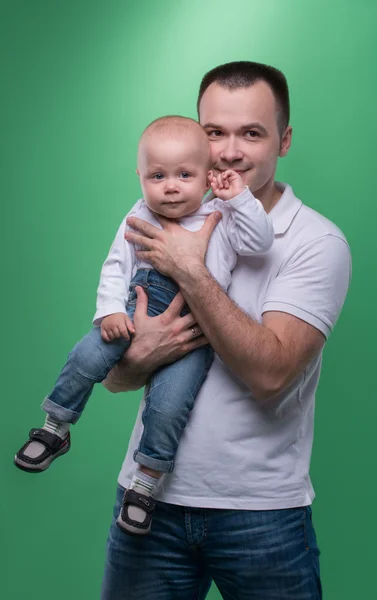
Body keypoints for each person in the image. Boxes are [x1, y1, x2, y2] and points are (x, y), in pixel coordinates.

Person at [100, 61, 351, 599]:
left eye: (251, 133)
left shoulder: (315, 242)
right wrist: (139, 353)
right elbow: (115, 377)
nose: (230, 151)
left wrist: (189, 268)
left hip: (259, 514)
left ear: (283, 140)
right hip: (147, 502)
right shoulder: (169, 211)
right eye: (215, 132)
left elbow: (270, 373)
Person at [14, 115, 274, 536]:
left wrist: (240, 198)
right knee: (85, 356)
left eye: (185, 175)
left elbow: (260, 243)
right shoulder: (139, 215)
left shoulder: (222, 215)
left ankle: (145, 483)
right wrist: (110, 313)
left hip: (194, 335)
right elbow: (117, 266)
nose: (171, 186)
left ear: (208, 176)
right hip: (132, 314)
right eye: (158, 175)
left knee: (170, 406)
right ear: (140, 176)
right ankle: (54, 427)